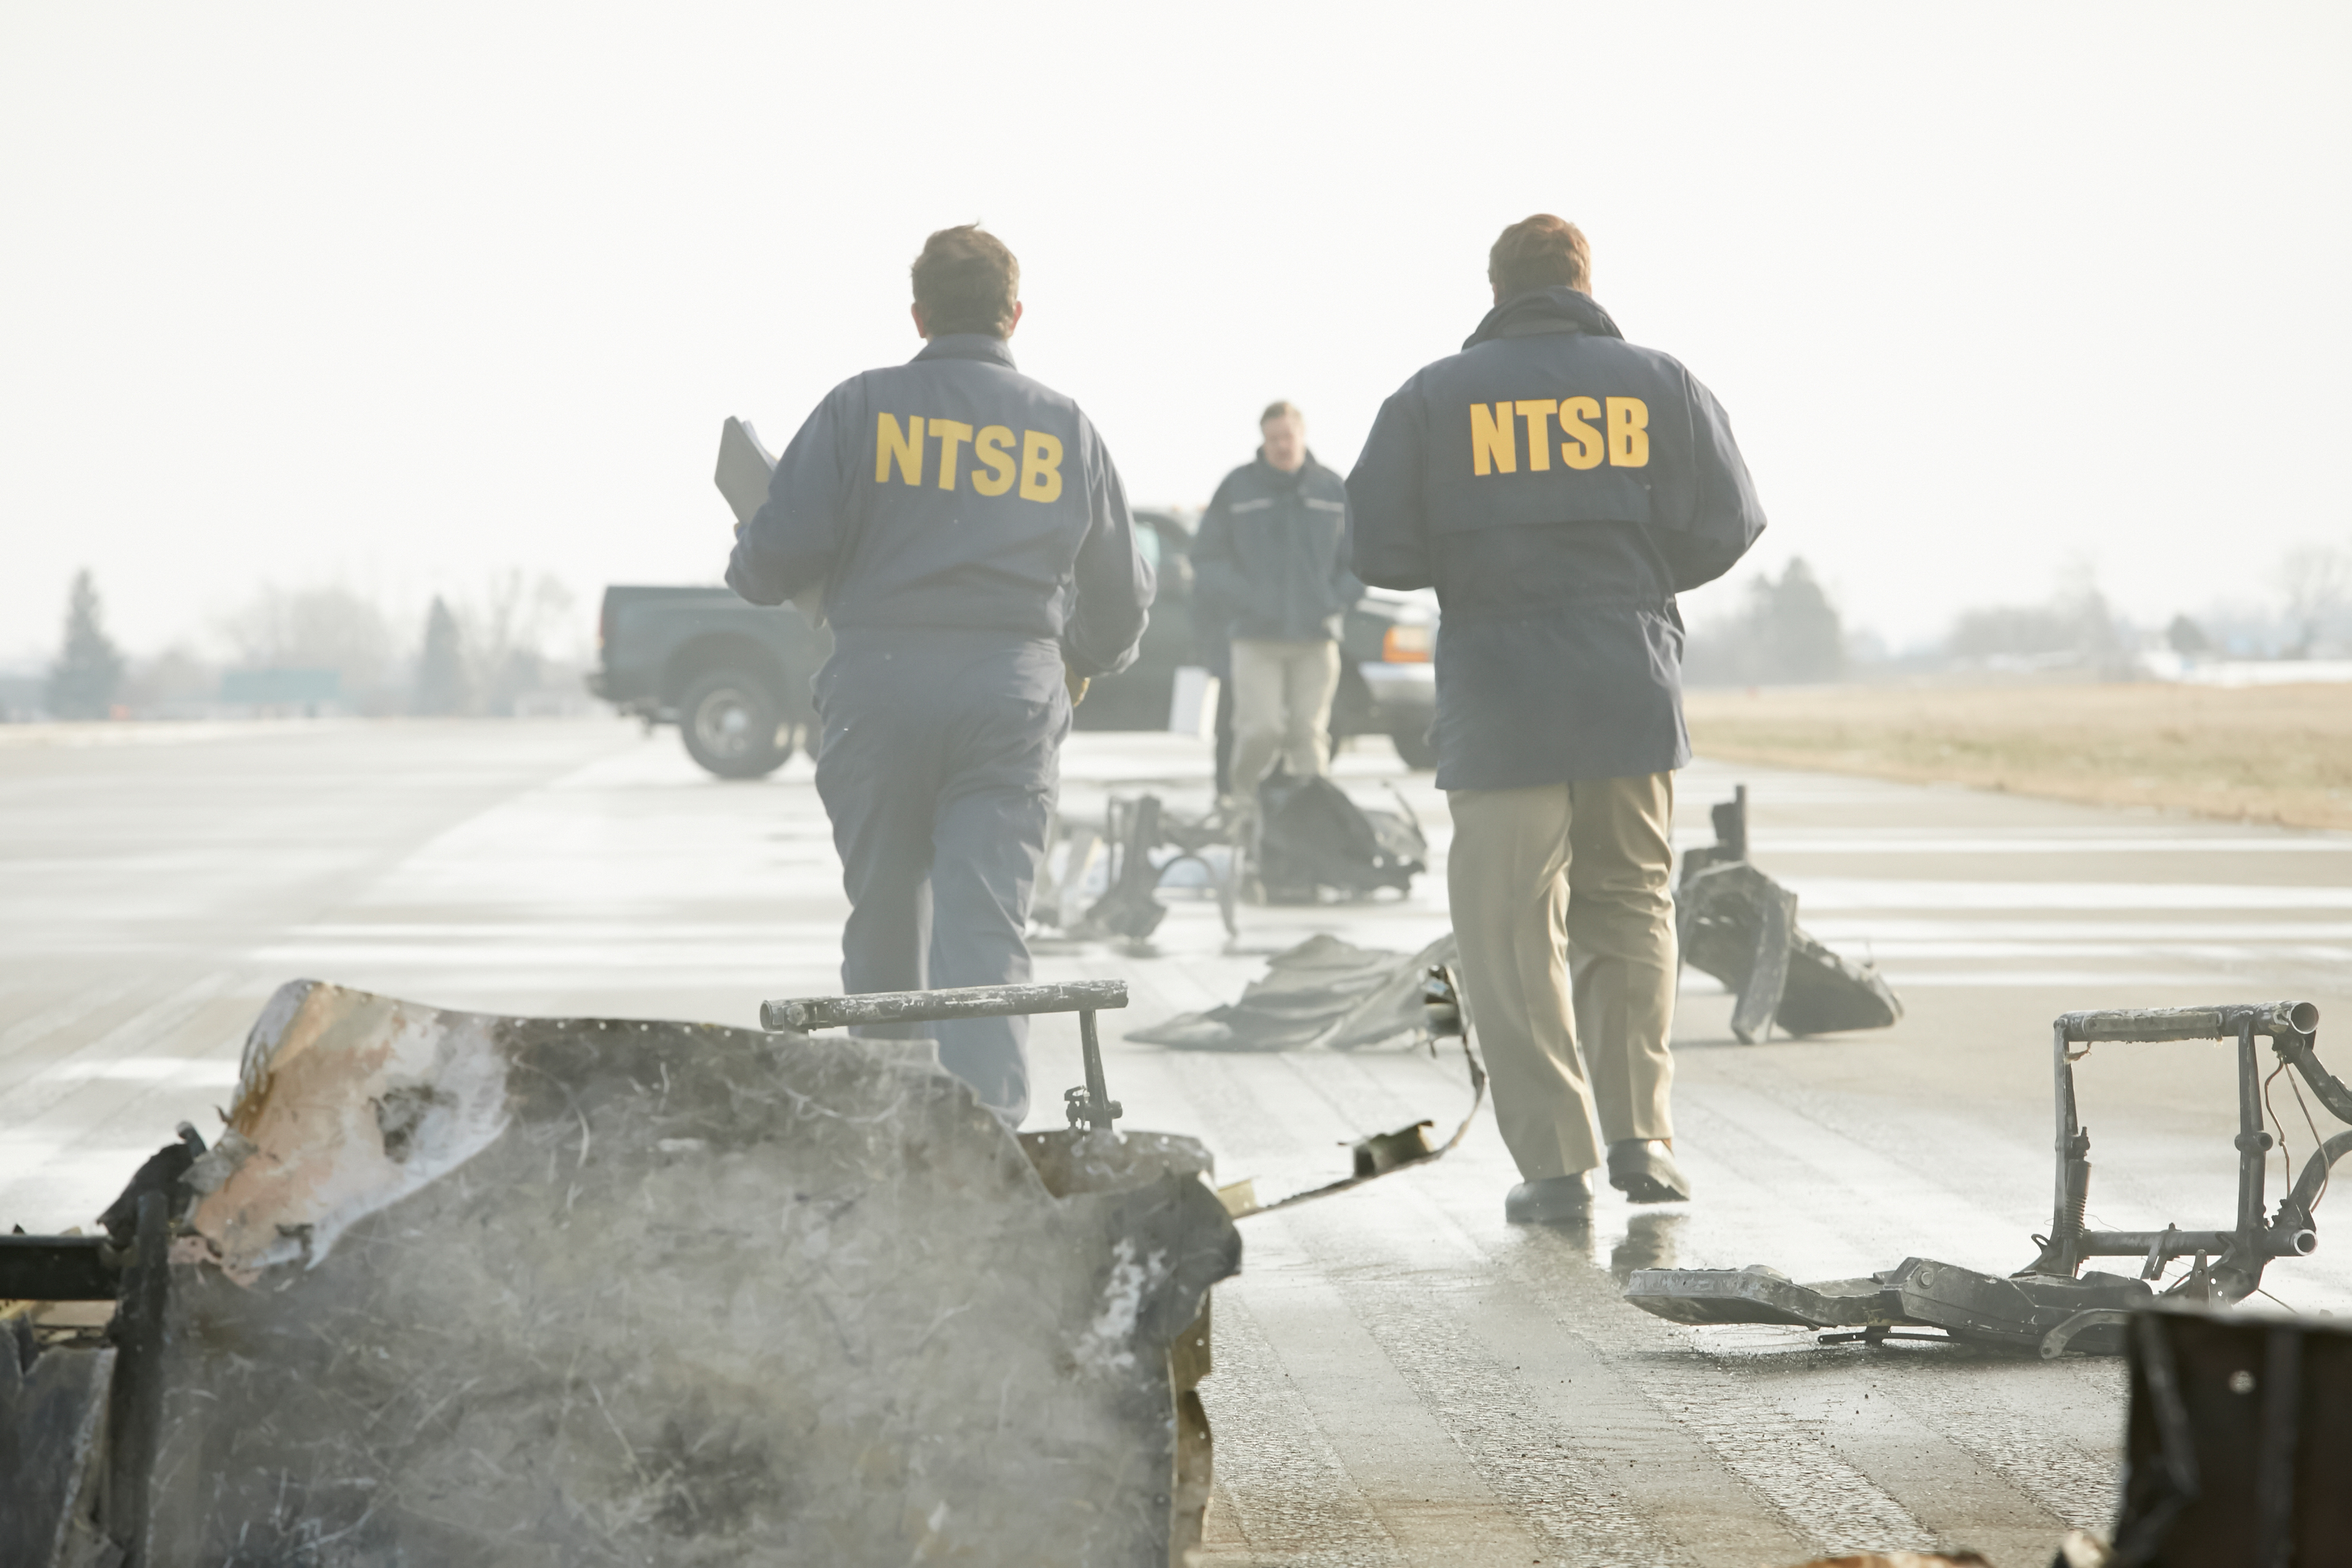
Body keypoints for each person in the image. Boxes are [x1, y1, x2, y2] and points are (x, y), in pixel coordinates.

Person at [1345, 214, 1765, 1224]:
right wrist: (1634, 581)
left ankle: (1556, 1164)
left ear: (1496, 290)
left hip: (1501, 693)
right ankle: (1644, 1138)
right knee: (1631, 902)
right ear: (1583, 281)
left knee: (1510, 926)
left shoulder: (1433, 398)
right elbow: (1732, 521)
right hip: (1628, 679)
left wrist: (1478, 563)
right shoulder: (1661, 384)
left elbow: (1375, 548)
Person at [726, 225, 1153, 1123]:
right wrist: (1078, 660)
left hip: (878, 692)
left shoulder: (858, 408)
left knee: (885, 918)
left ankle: (888, 1129)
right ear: (1015, 315)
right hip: (1008, 697)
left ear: (919, 315)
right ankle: (986, 1141)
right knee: (985, 927)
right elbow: (1121, 597)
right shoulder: (1064, 426)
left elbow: (776, 560)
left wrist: (750, 549)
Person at [1191, 402, 1357, 807]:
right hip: (1256, 637)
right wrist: (1246, 597)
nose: (1282, 445)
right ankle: (1241, 806)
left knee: (1308, 735)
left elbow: (1362, 560)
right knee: (1260, 731)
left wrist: (1334, 598)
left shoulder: (1331, 489)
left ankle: (1310, 820)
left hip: (1316, 637)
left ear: (1302, 435)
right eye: (1273, 439)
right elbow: (1207, 558)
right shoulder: (1238, 488)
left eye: (1288, 436)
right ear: (1263, 441)